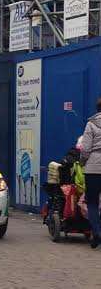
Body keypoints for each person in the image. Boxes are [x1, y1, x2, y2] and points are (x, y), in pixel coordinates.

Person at [80, 98, 101, 249]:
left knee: (92, 202)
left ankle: (97, 232)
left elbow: (85, 148)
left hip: (93, 168)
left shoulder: (91, 124)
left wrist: (82, 162)